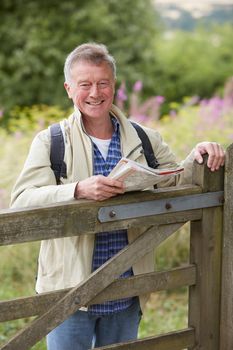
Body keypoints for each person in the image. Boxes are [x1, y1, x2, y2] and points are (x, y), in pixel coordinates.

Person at [10, 43, 225, 350]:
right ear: (69, 88)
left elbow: (176, 178)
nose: (95, 92)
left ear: (115, 86)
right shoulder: (51, 141)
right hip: (68, 290)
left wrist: (198, 153)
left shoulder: (145, 138)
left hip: (127, 285)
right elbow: (22, 199)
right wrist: (78, 190)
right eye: (85, 84)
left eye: (103, 83)